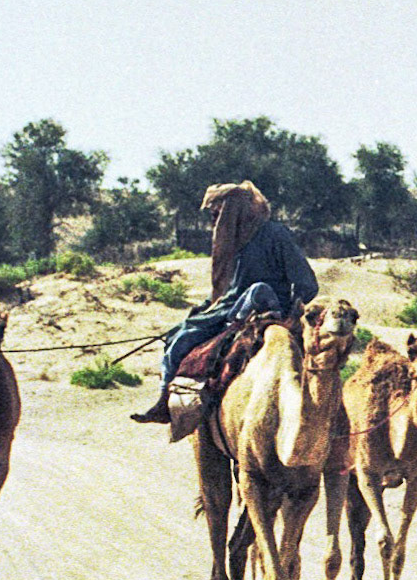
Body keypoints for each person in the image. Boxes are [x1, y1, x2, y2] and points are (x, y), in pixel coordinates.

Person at [130, 180, 319, 424]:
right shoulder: (235, 240)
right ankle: (165, 400)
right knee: (177, 337)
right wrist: (208, 305)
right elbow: (229, 287)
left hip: (264, 306)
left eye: (218, 212)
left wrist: (291, 310)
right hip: (229, 306)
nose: (215, 219)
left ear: (234, 210)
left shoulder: (274, 234)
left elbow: (306, 284)